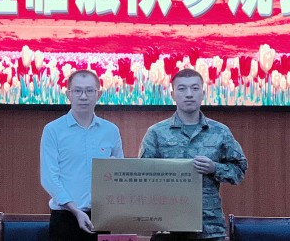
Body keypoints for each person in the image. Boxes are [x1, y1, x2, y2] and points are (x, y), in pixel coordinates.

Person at [139, 68, 247, 241]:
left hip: (209, 227)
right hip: (167, 226)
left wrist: (214, 168)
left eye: (195, 88)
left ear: (203, 93)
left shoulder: (220, 132)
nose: (189, 94)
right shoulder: (156, 133)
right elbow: (142, 176)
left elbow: (239, 170)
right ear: (173, 95)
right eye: (182, 89)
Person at [40, 69, 124, 241]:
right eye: (77, 91)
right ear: (68, 94)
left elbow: (119, 174)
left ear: (98, 94)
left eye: (89, 91)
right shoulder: (53, 130)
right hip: (64, 217)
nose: (83, 96)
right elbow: (49, 178)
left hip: (101, 218)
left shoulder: (111, 131)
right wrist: (75, 210)